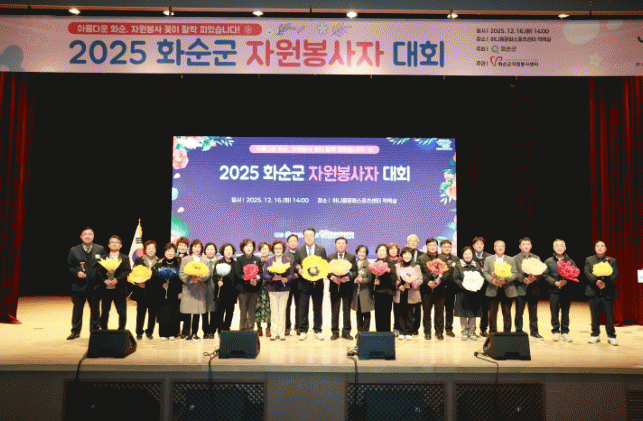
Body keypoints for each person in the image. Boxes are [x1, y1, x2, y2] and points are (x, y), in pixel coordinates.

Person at [66, 227, 106, 339]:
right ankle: (75, 331)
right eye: (85, 234)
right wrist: (76, 273)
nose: (88, 236)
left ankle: (95, 331)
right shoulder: (74, 250)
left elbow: (104, 265)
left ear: (93, 236)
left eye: (90, 234)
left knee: (95, 310)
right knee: (77, 310)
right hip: (79, 285)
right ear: (81, 236)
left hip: (95, 286)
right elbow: (69, 266)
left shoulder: (100, 249)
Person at [294, 228, 327, 340]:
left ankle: (318, 330)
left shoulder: (321, 249)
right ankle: (303, 330)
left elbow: (325, 264)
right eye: (306, 235)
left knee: (317, 308)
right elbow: (295, 264)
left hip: (318, 284)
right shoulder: (299, 250)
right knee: (303, 308)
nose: (309, 237)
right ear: (303, 237)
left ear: (315, 236)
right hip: (303, 283)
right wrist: (298, 269)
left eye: (311, 235)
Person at [584, 240, 619, 346]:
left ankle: (611, 336)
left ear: (606, 248)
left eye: (602, 246)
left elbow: (615, 273)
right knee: (594, 315)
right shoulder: (589, 259)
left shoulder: (612, 260)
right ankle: (595, 335)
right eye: (597, 246)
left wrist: (605, 283)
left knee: (609, 315)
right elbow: (587, 272)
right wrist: (596, 281)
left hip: (608, 291)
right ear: (595, 248)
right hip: (593, 291)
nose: (600, 248)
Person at [543, 239, 576, 342]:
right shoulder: (548, 261)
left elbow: (574, 274)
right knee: (554, 311)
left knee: (565, 312)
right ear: (553, 248)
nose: (559, 247)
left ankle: (565, 332)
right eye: (557, 245)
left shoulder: (570, 261)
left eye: (561, 245)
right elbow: (545, 275)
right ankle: (556, 331)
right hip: (553, 290)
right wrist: (555, 282)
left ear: (565, 248)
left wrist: (566, 281)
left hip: (566, 291)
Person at [482, 240, 518, 334]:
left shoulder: (510, 259)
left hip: (507, 288)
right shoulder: (489, 259)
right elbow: (485, 272)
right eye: (498, 246)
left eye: (502, 246)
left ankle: (507, 333)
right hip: (493, 288)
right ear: (494, 248)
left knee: (507, 313)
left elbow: (515, 273)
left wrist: (506, 280)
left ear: (505, 248)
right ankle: (493, 333)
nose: (500, 248)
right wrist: (492, 280)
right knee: (492, 313)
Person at [263, 240, 296, 340]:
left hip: (284, 289)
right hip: (272, 288)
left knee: (282, 311)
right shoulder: (269, 260)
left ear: (283, 249)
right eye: (276, 248)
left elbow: (291, 274)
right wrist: (272, 278)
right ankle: (274, 332)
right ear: (273, 249)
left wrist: (286, 278)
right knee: (274, 311)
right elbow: (265, 274)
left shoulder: (288, 260)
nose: (278, 250)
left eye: (280, 248)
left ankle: (281, 333)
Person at [513, 237, 545, 340]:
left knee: (533, 313)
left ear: (531, 246)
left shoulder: (536, 257)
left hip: (533, 288)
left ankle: (534, 332)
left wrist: (535, 278)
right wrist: (523, 279)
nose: (526, 246)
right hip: (520, 288)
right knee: (519, 312)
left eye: (528, 244)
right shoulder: (515, 258)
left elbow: (541, 273)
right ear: (519, 246)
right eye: (523, 244)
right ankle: (518, 331)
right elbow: (514, 273)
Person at [98, 235, 131, 331]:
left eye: (116, 243)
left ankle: (121, 330)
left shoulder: (125, 258)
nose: (114, 244)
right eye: (112, 242)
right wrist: (105, 280)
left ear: (120, 245)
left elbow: (127, 270)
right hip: (106, 289)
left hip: (120, 289)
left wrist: (117, 279)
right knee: (104, 311)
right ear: (108, 245)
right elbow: (99, 271)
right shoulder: (103, 257)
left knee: (122, 312)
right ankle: (104, 330)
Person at [327, 237, 358, 340]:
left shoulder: (351, 257)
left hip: (347, 288)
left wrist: (347, 278)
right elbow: (326, 271)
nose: (340, 245)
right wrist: (333, 277)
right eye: (338, 243)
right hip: (334, 287)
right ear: (335, 245)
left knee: (346, 311)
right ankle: (335, 332)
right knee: (335, 311)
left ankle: (346, 332)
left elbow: (354, 271)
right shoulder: (330, 257)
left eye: (343, 243)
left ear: (346, 245)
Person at [179, 239, 209, 341]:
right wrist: (191, 279)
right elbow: (181, 273)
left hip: (200, 288)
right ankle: (187, 333)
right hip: (188, 288)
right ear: (191, 248)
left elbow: (207, 273)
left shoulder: (204, 260)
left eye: (199, 247)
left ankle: (195, 333)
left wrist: (201, 277)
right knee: (188, 311)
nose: (197, 249)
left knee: (197, 312)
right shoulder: (186, 259)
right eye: (195, 247)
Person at [151, 243, 182, 340]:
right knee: (163, 312)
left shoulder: (178, 263)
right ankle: (163, 333)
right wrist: (162, 284)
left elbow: (181, 279)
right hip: (162, 292)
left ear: (175, 252)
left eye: (172, 251)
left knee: (174, 312)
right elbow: (153, 277)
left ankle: (172, 333)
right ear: (164, 252)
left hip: (174, 292)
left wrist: (180, 292)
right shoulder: (159, 263)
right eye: (168, 251)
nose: (170, 253)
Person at [452, 246, 484, 340]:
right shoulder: (458, 265)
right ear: (462, 255)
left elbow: (481, 277)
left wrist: (475, 286)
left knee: (473, 312)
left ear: (472, 255)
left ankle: (472, 330)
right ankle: (464, 331)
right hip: (462, 293)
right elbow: (455, 278)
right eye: (465, 254)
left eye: (469, 253)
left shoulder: (476, 265)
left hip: (474, 293)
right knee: (462, 313)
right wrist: (465, 286)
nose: (467, 256)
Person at [417, 238, 445, 340]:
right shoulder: (421, 258)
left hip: (440, 289)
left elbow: (447, 272)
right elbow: (419, 272)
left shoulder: (443, 258)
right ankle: (427, 332)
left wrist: (439, 281)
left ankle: (439, 332)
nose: (432, 247)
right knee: (426, 312)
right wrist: (428, 282)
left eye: (434, 245)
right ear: (426, 246)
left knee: (439, 312)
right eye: (430, 245)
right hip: (426, 290)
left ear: (437, 246)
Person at [132, 240, 159, 340]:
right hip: (142, 291)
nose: (151, 250)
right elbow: (133, 274)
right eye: (149, 248)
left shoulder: (160, 261)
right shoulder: (139, 260)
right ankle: (139, 332)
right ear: (145, 250)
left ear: (156, 250)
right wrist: (138, 283)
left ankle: (149, 332)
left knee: (152, 314)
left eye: (153, 248)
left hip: (154, 292)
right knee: (141, 313)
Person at [234, 238, 263, 332]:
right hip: (243, 289)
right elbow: (238, 273)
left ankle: (250, 330)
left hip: (254, 289)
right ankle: (242, 329)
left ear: (253, 248)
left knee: (251, 311)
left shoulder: (257, 259)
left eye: (250, 246)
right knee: (243, 310)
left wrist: (256, 280)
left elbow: (260, 274)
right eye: (246, 246)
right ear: (243, 248)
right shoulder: (239, 259)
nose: (249, 248)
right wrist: (247, 279)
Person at [394, 247, 423, 340]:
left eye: (409, 254)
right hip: (400, 292)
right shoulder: (397, 266)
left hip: (411, 292)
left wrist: (411, 284)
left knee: (410, 314)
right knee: (400, 313)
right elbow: (393, 278)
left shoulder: (416, 266)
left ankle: (409, 332)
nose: (407, 256)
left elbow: (420, 279)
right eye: (405, 254)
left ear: (412, 256)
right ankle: (401, 331)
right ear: (402, 255)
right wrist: (399, 285)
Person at [213, 243, 237, 334]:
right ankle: (220, 329)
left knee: (230, 311)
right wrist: (218, 281)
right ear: (223, 251)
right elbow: (214, 276)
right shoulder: (219, 262)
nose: (229, 252)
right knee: (220, 311)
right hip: (221, 291)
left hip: (232, 292)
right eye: (226, 250)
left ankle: (227, 327)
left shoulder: (235, 263)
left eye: (230, 250)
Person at [372, 244, 397, 332]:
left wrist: (381, 278)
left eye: (383, 251)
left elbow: (393, 279)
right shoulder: (374, 263)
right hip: (378, 293)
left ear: (387, 253)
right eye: (379, 250)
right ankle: (379, 333)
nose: (381, 252)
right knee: (378, 314)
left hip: (387, 293)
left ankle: (386, 335)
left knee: (386, 314)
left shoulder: (390, 263)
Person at [473, 237, 493, 337]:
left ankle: (483, 329)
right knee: (472, 308)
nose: (479, 246)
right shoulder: (469, 255)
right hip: (473, 287)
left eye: (481, 244)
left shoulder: (489, 257)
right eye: (477, 244)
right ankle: (472, 329)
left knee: (485, 309)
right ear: (473, 246)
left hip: (486, 287)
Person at [352, 245, 374, 333]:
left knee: (366, 312)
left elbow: (371, 279)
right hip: (356, 292)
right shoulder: (353, 264)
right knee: (358, 313)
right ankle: (359, 332)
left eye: (364, 252)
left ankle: (365, 332)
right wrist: (354, 279)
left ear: (366, 254)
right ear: (357, 253)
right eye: (360, 251)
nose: (361, 253)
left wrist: (363, 280)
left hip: (366, 292)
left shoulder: (369, 265)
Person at [440, 239, 459, 337]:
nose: (447, 248)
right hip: (440, 287)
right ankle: (438, 330)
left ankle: (449, 329)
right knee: (439, 310)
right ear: (441, 248)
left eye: (448, 247)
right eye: (444, 247)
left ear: (451, 248)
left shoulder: (456, 259)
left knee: (449, 309)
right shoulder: (437, 258)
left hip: (451, 288)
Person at [406, 234, 423, 336]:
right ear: (407, 243)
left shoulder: (422, 255)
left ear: (417, 243)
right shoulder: (403, 254)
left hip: (418, 285)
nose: (413, 243)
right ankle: (408, 327)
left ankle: (416, 328)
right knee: (407, 308)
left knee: (417, 308)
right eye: (411, 241)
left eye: (415, 241)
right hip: (406, 285)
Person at [284, 234, 300, 336]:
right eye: (291, 241)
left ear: (298, 243)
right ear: (287, 243)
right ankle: (287, 327)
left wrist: (299, 273)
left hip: (299, 283)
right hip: (287, 283)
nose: (293, 243)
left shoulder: (301, 253)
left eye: (295, 241)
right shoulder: (284, 254)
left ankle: (298, 326)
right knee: (287, 306)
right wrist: (291, 274)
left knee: (299, 306)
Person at [255, 241, 272, 337]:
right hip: (258, 288)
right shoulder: (257, 261)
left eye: (266, 248)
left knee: (269, 308)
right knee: (258, 307)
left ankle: (268, 328)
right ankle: (259, 328)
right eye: (262, 249)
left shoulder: (273, 260)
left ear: (269, 250)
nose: (264, 250)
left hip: (270, 287)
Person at [202, 242, 218, 339]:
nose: (210, 251)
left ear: (215, 251)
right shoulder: (202, 262)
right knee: (204, 311)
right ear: (205, 251)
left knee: (214, 311)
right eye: (208, 249)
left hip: (215, 289)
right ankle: (205, 331)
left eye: (212, 249)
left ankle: (212, 331)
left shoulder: (218, 262)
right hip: (203, 289)